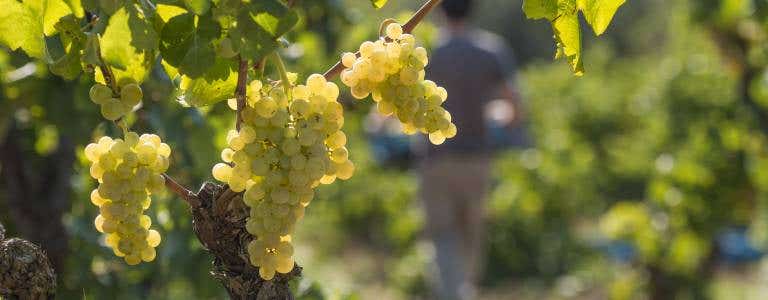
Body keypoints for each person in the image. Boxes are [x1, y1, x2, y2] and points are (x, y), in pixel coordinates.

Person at [418, 0, 521, 299]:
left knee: (441, 235)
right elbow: (514, 108)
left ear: (439, 9)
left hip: (435, 162)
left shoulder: (425, 52)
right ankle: (465, 291)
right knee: (471, 235)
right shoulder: (491, 50)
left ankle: (451, 293)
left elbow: (391, 110)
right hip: (477, 160)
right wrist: (493, 116)